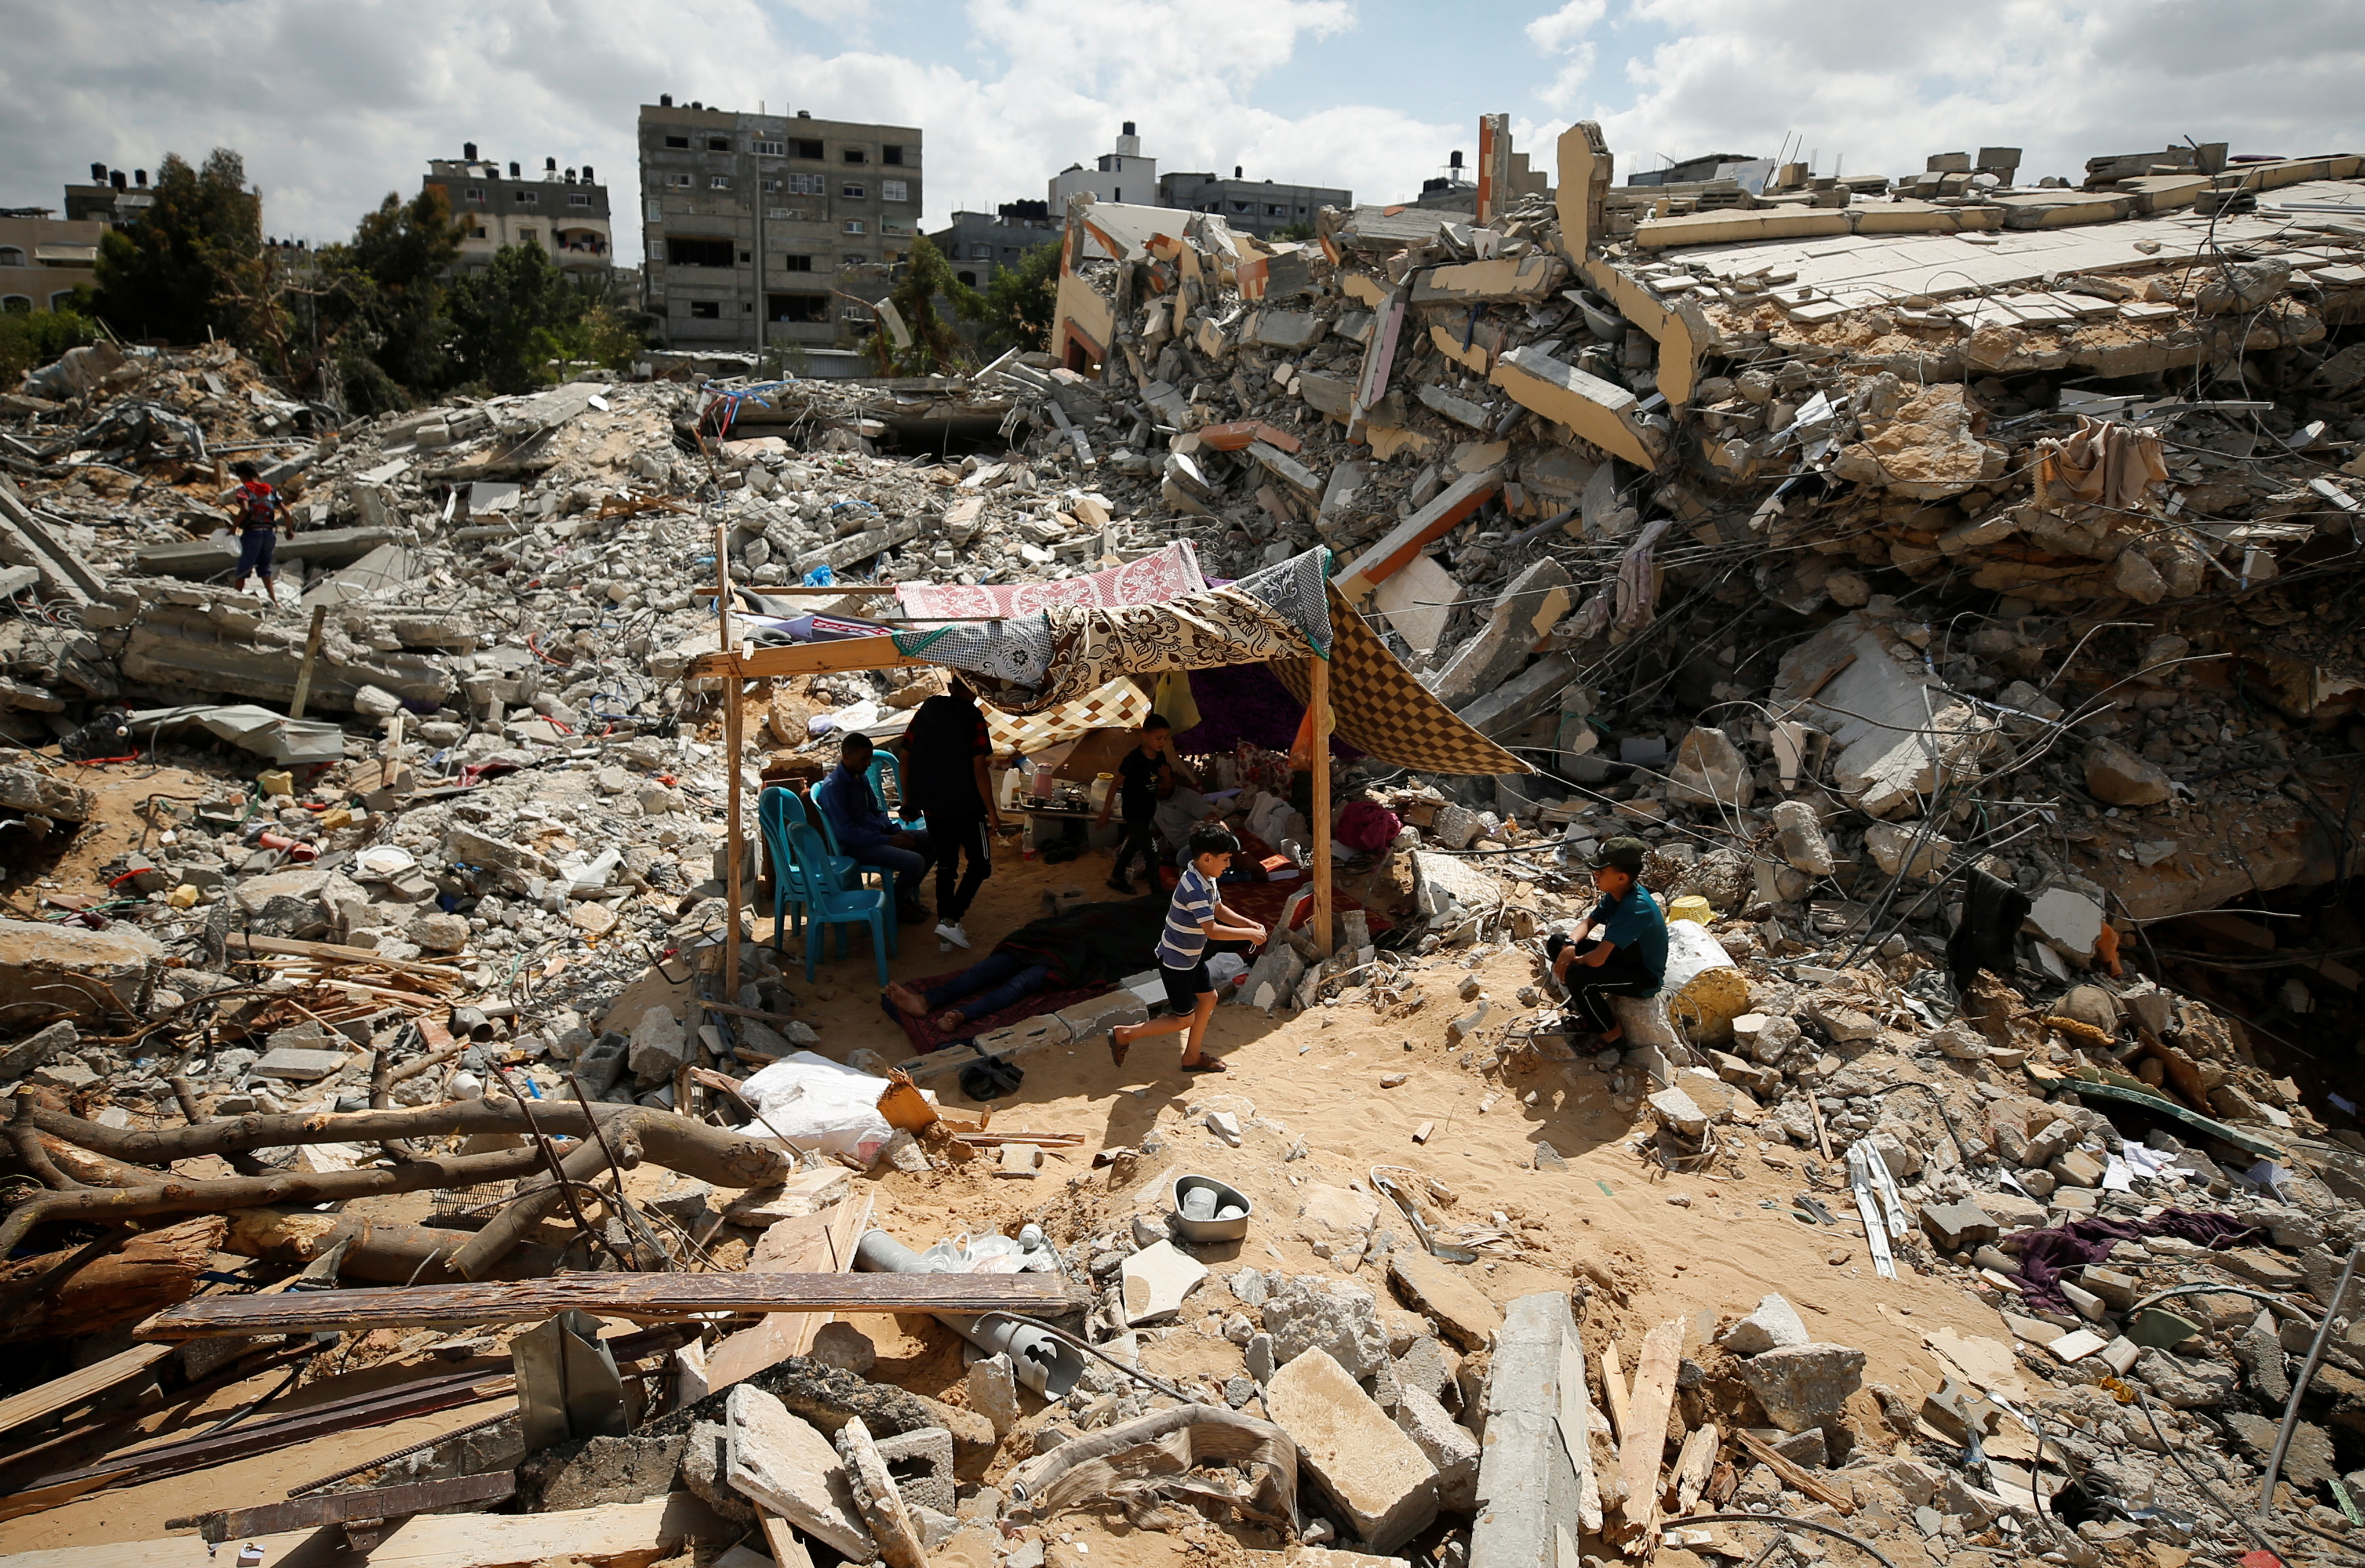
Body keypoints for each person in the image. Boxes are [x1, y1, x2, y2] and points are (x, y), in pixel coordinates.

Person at [883, 893, 1170, 1035]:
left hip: (1081, 949)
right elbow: (1108, 911)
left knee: (1025, 981)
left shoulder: (1182, 925)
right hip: (1065, 933)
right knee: (996, 966)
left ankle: (962, 1015)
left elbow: (1139, 947)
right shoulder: (1164, 901)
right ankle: (926, 1000)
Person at [1108, 825, 1265, 1074]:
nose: (1228, 865)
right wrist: (1249, 934)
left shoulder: (1206, 878)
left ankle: (1191, 1057)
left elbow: (1218, 909)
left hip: (1192, 957)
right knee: (1184, 1019)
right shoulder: (1192, 886)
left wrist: (1248, 923)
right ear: (1207, 858)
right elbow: (1212, 930)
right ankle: (1124, 1034)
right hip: (1177, 962)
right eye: (1225, 860)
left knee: (1209, 998)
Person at [899, 676, 1002, 951]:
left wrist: (908, 800)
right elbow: (980, 769)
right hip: (966, 806)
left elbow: (905, 755)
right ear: (976, 692)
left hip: (932, 806)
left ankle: (948, 933)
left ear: (950, 688)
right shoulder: (973, 718)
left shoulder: (926, 712)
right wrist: (992, 812)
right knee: (980, 865)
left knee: (947, 867)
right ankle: (951, 919)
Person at [1546, 836, 1668, 1046]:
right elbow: (1588, 923)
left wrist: (1573, 960)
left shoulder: (1635, 907)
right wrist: (1569, 946)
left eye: (1601, 871)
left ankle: (1611, 1032)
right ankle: (1591, 1014)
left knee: (1579, 976)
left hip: (1643, 977)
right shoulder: (1617, 894)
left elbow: (1597, 960)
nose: (1595, 874)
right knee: (1557, 943)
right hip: (1624, 957)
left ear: (1621, 878)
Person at [819, 732, 934, 925]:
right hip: (856, 847)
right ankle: (895, 908)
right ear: (846, 756)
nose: (868, 764)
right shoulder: (834, 787)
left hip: (876, 837)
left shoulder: (860, 777)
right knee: (914, 862)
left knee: (932, 841)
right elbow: (845, 833)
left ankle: (901, 898)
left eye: (869, 758)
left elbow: (876, 811)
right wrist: (888, 840)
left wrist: (895, 831)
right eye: (863, 759)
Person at [1098, 715, 1195, 894]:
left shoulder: (1160, 757)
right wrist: (1105, 813)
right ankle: (1156, 894)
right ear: (1145, 736)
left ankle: (1115, 878)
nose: (1162, 742)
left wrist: (1167, 776)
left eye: (1165, 738)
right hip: (1133, 811)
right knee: (1152, 852)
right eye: (1159, 738)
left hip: (1149, 810)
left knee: (1133, 845)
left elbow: (1166, 788)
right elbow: (1114, 785)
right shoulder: (1134, 759)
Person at [225, 461, 288, 600]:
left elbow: (245, 509)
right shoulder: (271, 490)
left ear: (242, 476)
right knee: (265, 569)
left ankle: (236, 598)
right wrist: (289, 531)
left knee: (244, 568)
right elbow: (286, 512)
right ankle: (274, 600)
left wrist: (234, 528)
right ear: (257, 475)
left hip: (252, 533)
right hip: (269, 534)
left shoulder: (244, 490)